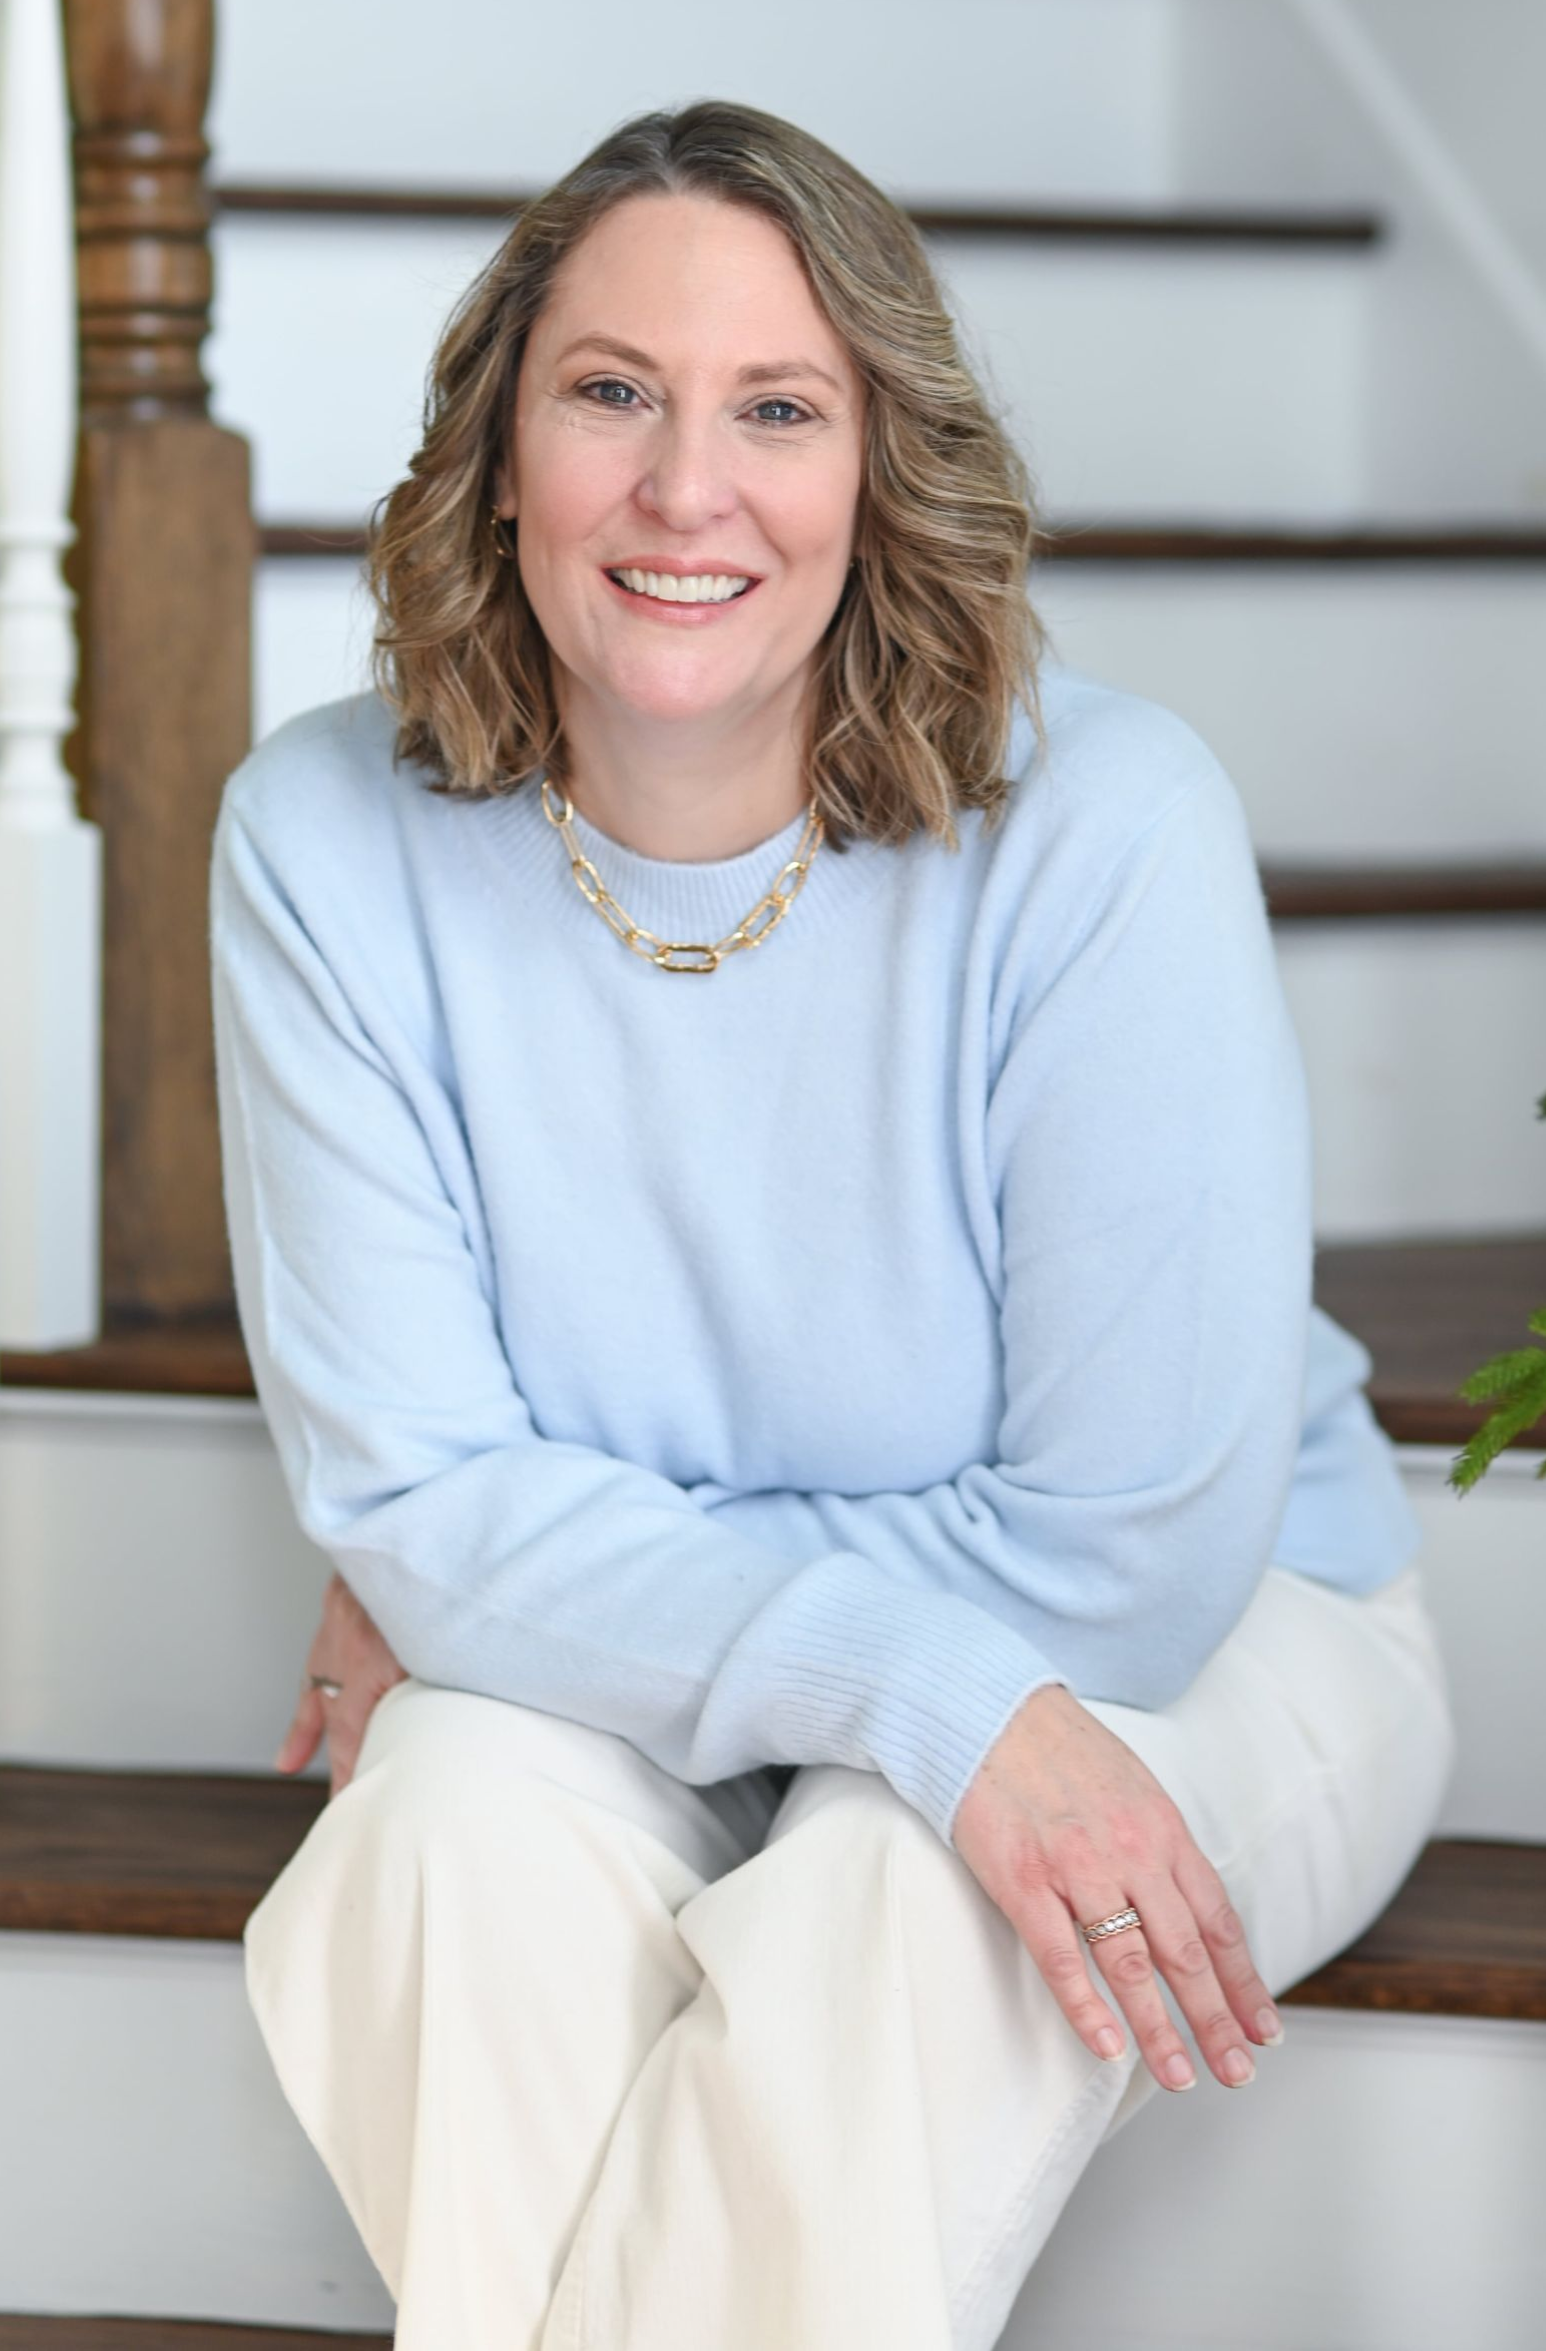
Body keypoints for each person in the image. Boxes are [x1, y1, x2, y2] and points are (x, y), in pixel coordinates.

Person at [212, 97, 1458, 2351]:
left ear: (880, 466)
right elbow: (419, 1500)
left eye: (778, 409)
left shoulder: (1104, 826)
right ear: (497, 450)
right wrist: (503, 1559)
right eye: (612, 392)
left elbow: (1124, 1555)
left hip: (1205, 1639)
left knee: (891, 1896)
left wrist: (535, 1563)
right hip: (780, 1646)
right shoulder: (319, 840)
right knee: (434, 1846)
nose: (686, 489)